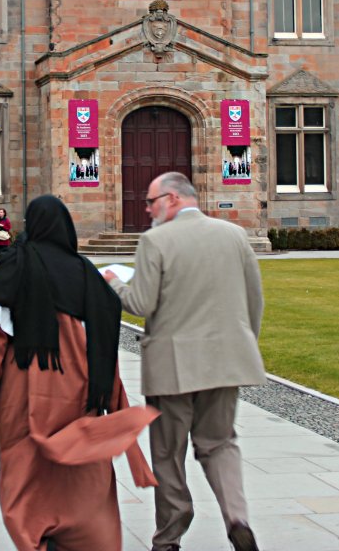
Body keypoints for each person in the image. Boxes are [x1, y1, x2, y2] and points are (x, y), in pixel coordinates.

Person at [0, 195, 157, 551]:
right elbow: (104, 343)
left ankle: (36, 535)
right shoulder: (86, 274)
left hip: (24, 386)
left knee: (24, 466)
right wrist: (112, 397)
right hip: (81, 386)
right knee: (82, 470)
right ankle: (83, 536)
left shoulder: (7, 271)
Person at [102, 172, 265, 551]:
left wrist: (112, 282)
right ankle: (237, 517)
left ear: (173, 199)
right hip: (226, 360)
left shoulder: (155, 240)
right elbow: (254, 300)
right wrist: (242, 347)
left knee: (167, 453)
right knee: (220, 443)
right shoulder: (234, 235)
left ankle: (169, 536)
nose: (147, 209)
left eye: (151, 201)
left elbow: (141, 303)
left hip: (172, 366)